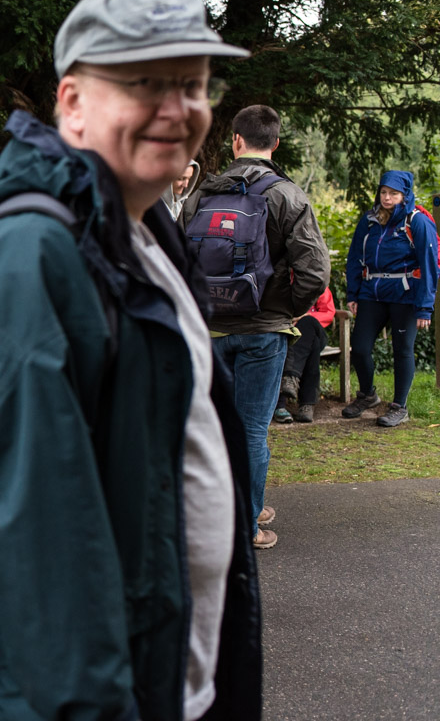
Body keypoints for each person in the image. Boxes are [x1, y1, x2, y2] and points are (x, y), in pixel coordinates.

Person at [0, 0, 260, 721]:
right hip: (94, 706)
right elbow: (32, 535)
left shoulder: (143, 234)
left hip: (173, 676)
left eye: (193, 83)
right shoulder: (28, 257)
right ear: (73, 102)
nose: (178, 107)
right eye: (145, 82)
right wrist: (102, 713)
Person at [178, 105, 330, 549]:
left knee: (211, 429)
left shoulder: (202, 194)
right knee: (249, 430)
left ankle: (220, 514)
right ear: (275, 143)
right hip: (264, 331)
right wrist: (288, 308)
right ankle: (244, 527)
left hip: (209, 330)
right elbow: (315, 271)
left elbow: (175, 257)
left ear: (235, 141)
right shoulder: (287, 195)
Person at [341, 170, 438, 426]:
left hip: (405, 295)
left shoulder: (417, 222)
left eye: (393, 193)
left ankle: (399, 406)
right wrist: (354, 292)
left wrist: (425, 308)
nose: (386, 198)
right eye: (384, 192)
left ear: (404, 195)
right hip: (371, 292)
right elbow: (354, 257)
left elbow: (430, 265)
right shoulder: (371, 220)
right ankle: (368, 395)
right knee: (360, 348)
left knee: (402, 350)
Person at [273, 287, 336, 424]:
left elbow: (328, 313)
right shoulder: (280, 281)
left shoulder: (319, 285)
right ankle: (307, 404)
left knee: (308, 324)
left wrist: (304, 318)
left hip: (314, 330)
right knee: (311, 346)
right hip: (290, 334)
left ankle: (287, 387)